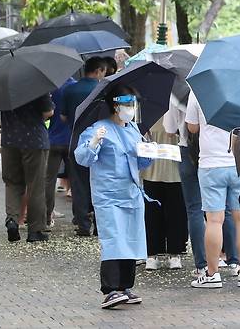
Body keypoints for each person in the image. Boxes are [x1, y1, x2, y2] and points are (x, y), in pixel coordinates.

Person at [74, 85, 151, 309]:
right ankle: (110, 289)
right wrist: (95, 142)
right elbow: (82, 158)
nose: (131, 110)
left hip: (131, 192)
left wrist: (148, 150)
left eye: (132, 105)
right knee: (113, 239)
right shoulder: (99, 128)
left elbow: (142, 162)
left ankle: (125, 286)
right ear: (115, 106)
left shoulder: (134, 129)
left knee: (130, 238)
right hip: (108, 194)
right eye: (127, 105)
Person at [186, 91, 240, 288]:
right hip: (239, 160)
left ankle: (212, 273)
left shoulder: (198, 89)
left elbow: (192, 127)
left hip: (210, 163)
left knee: (214, 220)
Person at [60, 57, 107, 236]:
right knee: (99, 182)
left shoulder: (70, 89)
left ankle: (83, 225)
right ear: (99, 71)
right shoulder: (101, 90)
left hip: (76, 141)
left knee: (78, 185)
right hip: (99, 140)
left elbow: (63, 117)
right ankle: (99, 224)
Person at [1, 93, 55, 243]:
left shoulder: (3, 85)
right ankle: (35, 230)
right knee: (35, 185)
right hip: (34, 141)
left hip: (9, 140)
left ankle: (12, 220)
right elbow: (48, 111)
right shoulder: (36, 85)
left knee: (12, 183)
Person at [163, 95, 206, 276]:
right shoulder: (223, 88)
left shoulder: (178, 93)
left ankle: (202, 265)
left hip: (187, 150)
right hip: (219, 152)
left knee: (194, 209)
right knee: (225, 211)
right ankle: (234, 262)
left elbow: (170, 128)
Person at [143, 117, 188, 270]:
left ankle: (175, 253)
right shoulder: (147, 108)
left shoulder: (181, 103)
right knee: (151, 213)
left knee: (177, 213)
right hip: (151, 169)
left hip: (176, 169)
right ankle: (152, 253)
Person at [45, 77, 77, 228]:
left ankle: (47, 215)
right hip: (71, 139)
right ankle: (80, 217)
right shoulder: (74, 87)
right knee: (76, 179)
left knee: (48, 180)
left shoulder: (50, 87)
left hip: (53, 138)